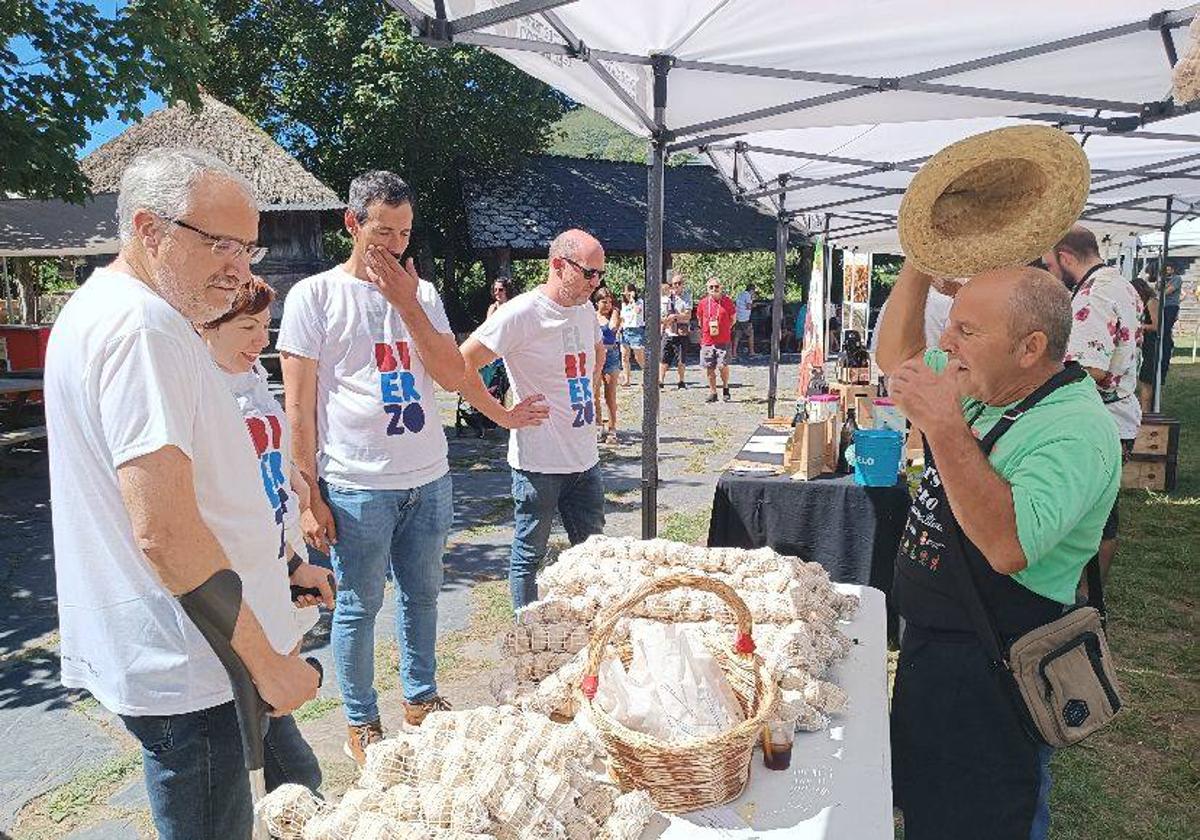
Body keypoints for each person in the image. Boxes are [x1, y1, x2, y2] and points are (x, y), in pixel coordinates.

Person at [44, 148, 321, 840]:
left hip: (191, 652)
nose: (240, 268)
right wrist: (268, 666)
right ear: (149, 228)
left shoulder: (107, 310)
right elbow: (163, 530)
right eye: (220, 244)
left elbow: (202, 494)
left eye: (248, 247)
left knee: (296, 789)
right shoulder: (144, 327)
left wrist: (280, 573)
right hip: (195, 666)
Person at [878, 262, 1120, 840]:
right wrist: (917, 264)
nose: (946, 342)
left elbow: (1008, 546)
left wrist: (944, 424)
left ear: (1030, 347)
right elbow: (898, 362)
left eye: (967, 330)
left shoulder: (1076, 429)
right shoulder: (986, 379)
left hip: (998, 673)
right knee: (930, 809)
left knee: (984, 820)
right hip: (937, 651)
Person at [278, 170, 464, 765]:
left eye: (405, 233)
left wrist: (408, 302)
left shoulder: (423, 293)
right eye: (383, 231)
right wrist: (308, 497)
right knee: (357, 604)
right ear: (351, 224)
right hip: (356, 483)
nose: (395, 245)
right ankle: (361, 720)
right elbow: (299, 406)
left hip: (427, 474)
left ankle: (422, 696)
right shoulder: (316, 296)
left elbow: (452, 372)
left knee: (424, 595)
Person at [458, 229, 606, 609]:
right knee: (529, 557)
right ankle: (527, 640)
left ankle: (593, 632)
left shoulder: (585, 308)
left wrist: (587, 400)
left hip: (585, 459)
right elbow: (461, 364)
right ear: (558, 265)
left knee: (596, 557)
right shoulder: (521, 313)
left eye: (599, 274)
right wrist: (503, 416)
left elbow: (597, 352)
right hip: (539, 464)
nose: (596, 282)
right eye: (589, 272)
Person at [197, 276, 336, 612]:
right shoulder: (200, 391)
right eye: (247, 327)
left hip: (282, 536)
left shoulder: (253, 374)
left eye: (265, 325)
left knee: (291, 635)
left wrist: (293, 475)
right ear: (206, 326)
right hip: (240, 553)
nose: (262, 339)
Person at [1042, 226, 1141, 585]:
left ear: (1066, 258)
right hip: (1118, 417)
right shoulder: (1122, 284)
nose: (1053, 274)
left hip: (1098, 420)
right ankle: (1089, 594)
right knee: (1102, 515)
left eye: (1051, 266)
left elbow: (1092, 368)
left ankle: (1083, 596)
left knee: (1090, 518)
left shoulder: (1093, 296)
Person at [695, 276, 737, 403]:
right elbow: (699, 320)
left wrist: (725, 328)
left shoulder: (727, 302)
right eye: (711, 287)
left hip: (723, 340)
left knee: (722, 365)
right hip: (707, 340)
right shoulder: (703, 303)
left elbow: (733, 319)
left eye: (716, 287)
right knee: (709, 367)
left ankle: (725, 387)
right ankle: (713, 392)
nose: (714, 289)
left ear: (721, 288)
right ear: (707, 289)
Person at [593, 285, 622, 442]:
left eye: (610, 302)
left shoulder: (613, 316)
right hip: (594, 356)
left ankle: (612, 428)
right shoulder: (591, 316)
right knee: (594, 394)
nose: (607, 305)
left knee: (610, 395)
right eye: (604, 302)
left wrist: (615, 312)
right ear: (597, 302)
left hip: (610, 354)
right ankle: (598, 425)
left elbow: (612, 330)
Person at [1132, 274, 1161, 413]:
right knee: (1143, 380)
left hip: (1152, 345)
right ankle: (1144, 410)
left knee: (1146, 381)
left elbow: (1156, 326)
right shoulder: (1143, 303)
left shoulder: (1151, 302)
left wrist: (1139, 326)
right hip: (1145, 345)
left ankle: (1146, 412)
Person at [660, 270, 691, 389]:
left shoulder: (686, 297)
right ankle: (660, 381)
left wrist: (675, 317)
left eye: (679, 283)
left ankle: (681, 381)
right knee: (663, 358)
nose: (676, 286)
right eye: (674, 284)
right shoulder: (667, 297)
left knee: (681, 360)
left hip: (681, 333)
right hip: (668, 332)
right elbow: (662, 316)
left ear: (683, 284)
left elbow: (687, 316)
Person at [619, 281, 646, 386]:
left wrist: (632, 300)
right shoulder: (623, 304)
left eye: (628, 292)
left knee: (639, 357)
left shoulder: (639, 301)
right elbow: (622, 317)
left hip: (636, 330)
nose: (626, 294)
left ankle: (648, 376)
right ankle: (627, 379)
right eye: (625, 292)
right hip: (625, 330)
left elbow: (638, 311)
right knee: (624, 356)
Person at [1160, 263, 1182, 379]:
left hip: (1171, 306)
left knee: (1166, 331)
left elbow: (1167, 291)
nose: (1167, 271)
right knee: (1163, 332)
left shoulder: (1177, 278)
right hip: (1162, 306)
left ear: (1173, 269)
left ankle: (1168, 349)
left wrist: (1160, 289)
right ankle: (1165, 349)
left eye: (1169, 269)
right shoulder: (1162, 279)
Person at [732, 284, 755, 358]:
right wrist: (754, 305)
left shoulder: (740, 294)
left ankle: (734, 352)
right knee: (750, 334)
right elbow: (748, 306)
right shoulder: (748, 295)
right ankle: (751, 352)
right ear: (751, 290)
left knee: (737, 335)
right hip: (745, 318)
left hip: (738, 317)